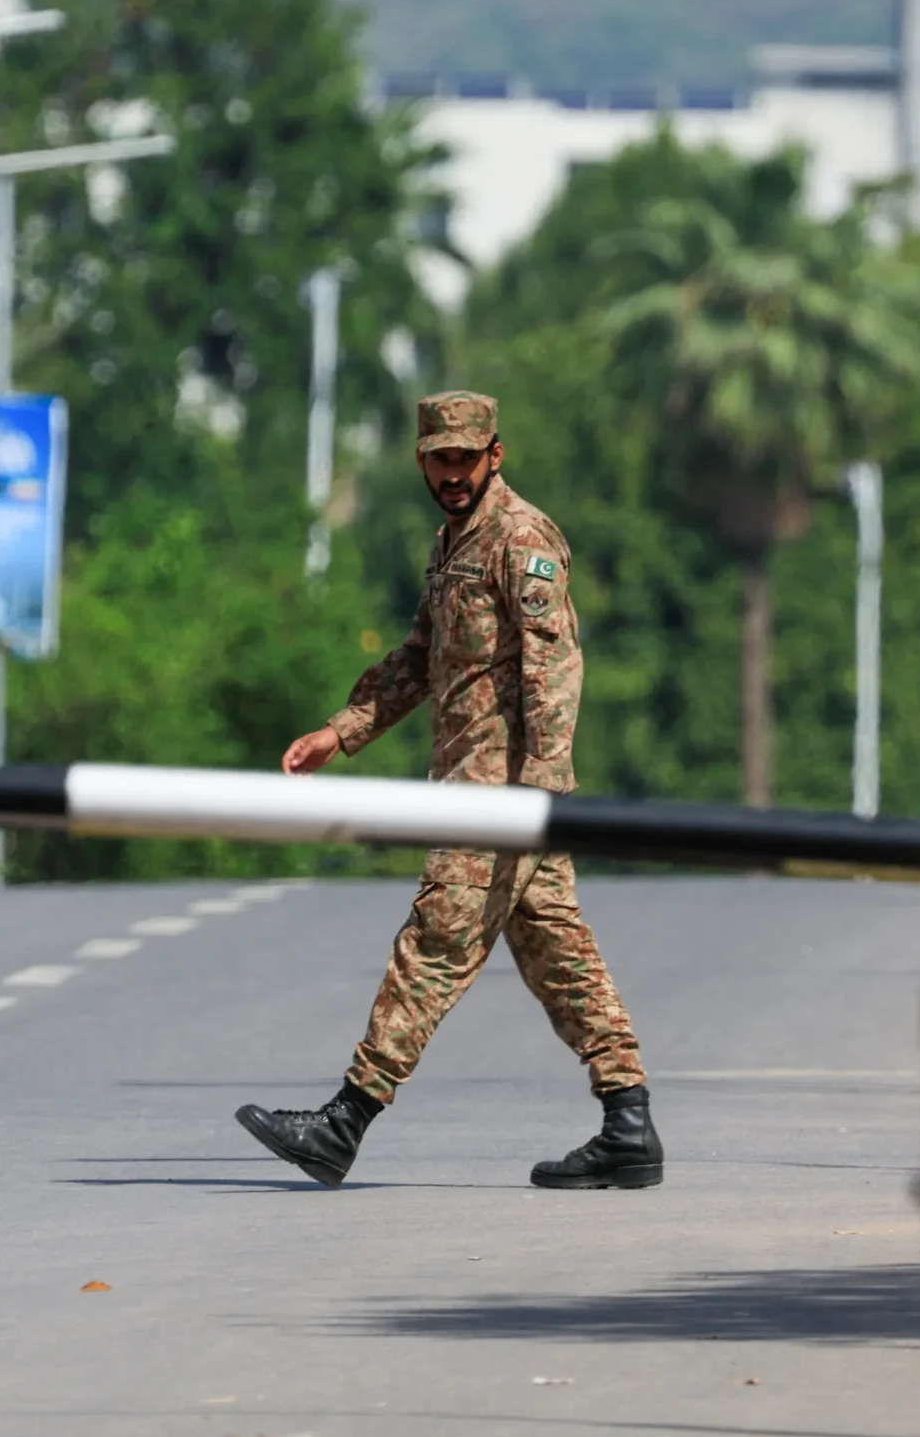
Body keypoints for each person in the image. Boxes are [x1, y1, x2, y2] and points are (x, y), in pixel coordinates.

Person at [235, 391, 660, 1190]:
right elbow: (420, 656)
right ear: (423, 460)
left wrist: (536, 793)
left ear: (495, 453)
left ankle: (345, 1120)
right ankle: (628, 1123)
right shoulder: (453, 543)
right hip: (484, 789)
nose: (455, 473)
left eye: (468, 458)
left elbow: (555, 671)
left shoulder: (520, 537)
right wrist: (343, 728)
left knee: (434, 945)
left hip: (504, 797)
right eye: (442, 460)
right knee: (560, 957)